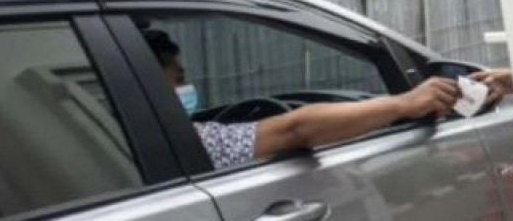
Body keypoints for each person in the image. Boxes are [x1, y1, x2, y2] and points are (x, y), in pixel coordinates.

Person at [143, 29, 462, 169]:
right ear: (151, 85)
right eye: (179, 79)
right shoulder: (197, 142)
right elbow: (295, 129)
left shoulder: (121, 140)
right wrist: (406, 103)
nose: (186, 86)